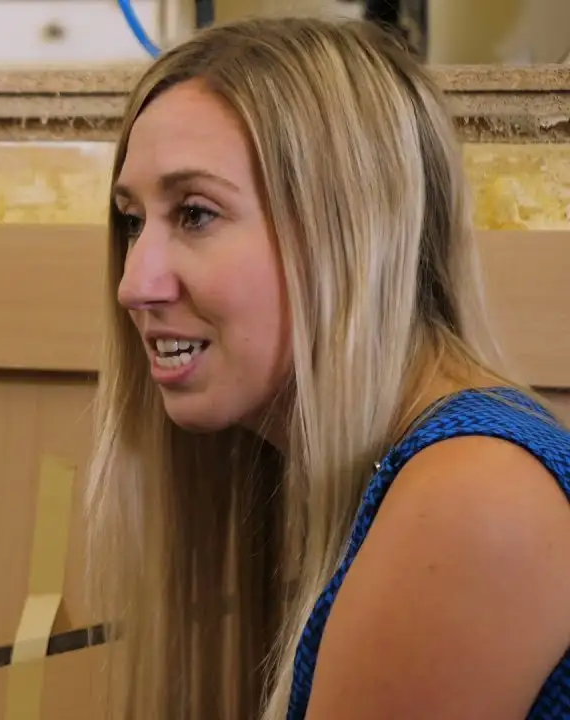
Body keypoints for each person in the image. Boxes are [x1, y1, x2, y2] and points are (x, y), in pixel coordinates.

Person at [84, 16, 570, 720]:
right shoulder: (390, 475)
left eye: (194, 213)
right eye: (133, 219)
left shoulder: (474, 498)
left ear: (351, 235)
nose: (135, 283)